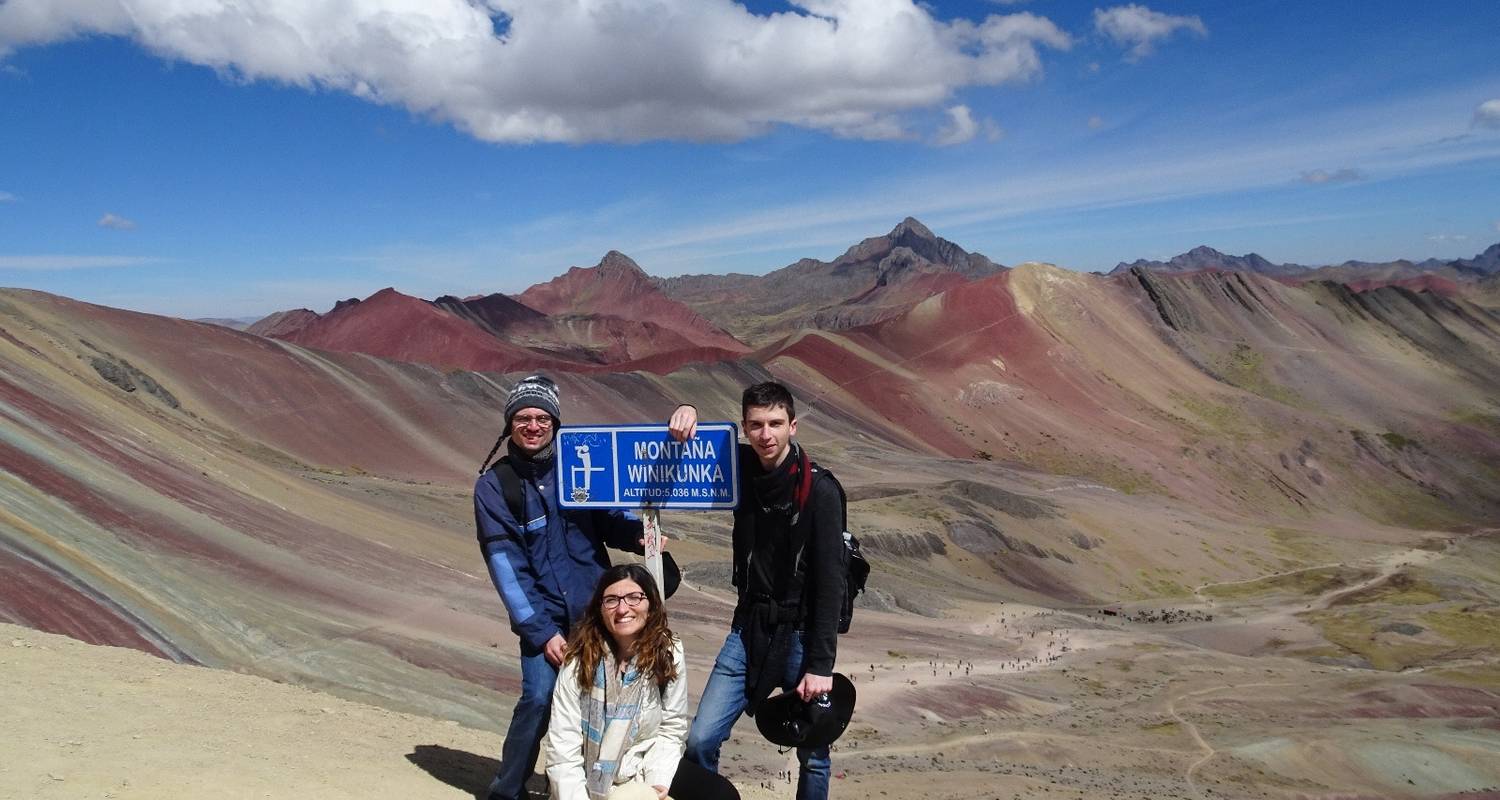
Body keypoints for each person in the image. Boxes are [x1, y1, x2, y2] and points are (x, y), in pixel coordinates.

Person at [476, 375, 663, 800]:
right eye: (523, 417)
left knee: (602, 706)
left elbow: (609, 520)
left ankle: (583, 788)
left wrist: (638, 536)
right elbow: (507, 568)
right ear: (509, 424)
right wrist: (542, 633)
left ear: (556, 423)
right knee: (539, 699)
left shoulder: (580, 466)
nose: (533, 426)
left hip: (598, 614)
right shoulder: (495, 487)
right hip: (542, 618)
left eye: (543, 417)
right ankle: (507, 790)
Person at [667, 382, 846, 800]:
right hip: (749, 628)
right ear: (745, 428)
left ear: (793, 426)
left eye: (776, 424)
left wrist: (820, 664)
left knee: (814, 750)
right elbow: (698, 443)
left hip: (801, 634)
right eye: (756, 425)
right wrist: (689, 405)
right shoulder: (741, 468)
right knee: (700, 740)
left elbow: (830, 584)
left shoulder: (821, 491)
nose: (766, 435)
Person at [545, 564, 740, 800]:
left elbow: (671, 728)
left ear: (651, 604)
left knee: (721, 795)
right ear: (600, 609)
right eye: (611, 600)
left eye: (634, 598)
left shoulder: (667, 653)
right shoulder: (579, 663)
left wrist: (657, 781)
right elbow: (563, 751)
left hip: (644, 765)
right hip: (588, 779)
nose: (622, 609)